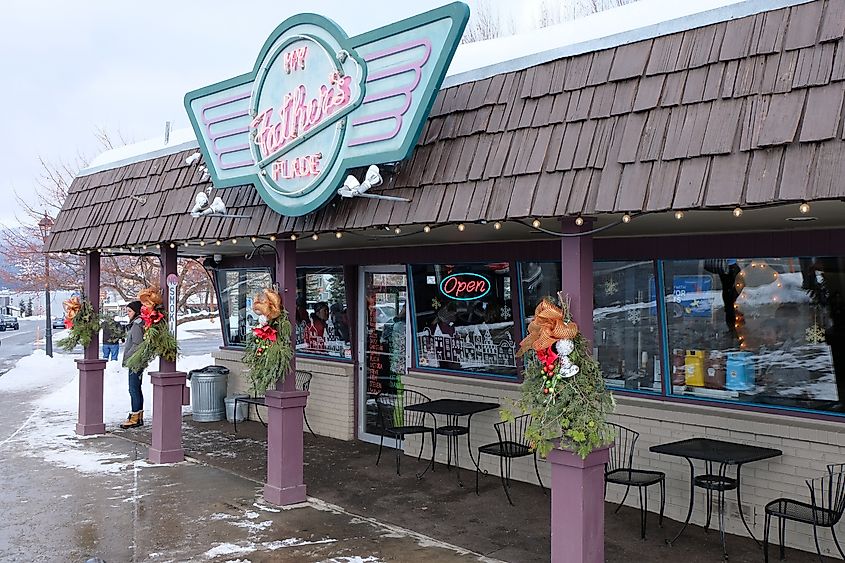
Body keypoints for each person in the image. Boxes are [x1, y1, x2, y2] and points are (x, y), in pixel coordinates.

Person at [120, 301, 145, 429]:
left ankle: (135, 417)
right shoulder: (139, 323)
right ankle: (138, 415)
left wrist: (129, 357)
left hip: (135, 361)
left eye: (130, 311)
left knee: (133, 388)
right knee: (137, 388)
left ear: (136, 311)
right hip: (138, 360)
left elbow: (137, 343)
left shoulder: (136, 324)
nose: (128, 314)